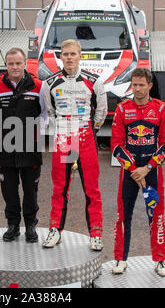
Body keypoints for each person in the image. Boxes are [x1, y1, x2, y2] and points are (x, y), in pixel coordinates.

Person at [42, 39, 107, 251]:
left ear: (80, 56)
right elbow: (49, 111)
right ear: (60, 57)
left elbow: (101, 112)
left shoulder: (94, 81)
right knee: (60, 188)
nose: (69, 57)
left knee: (91, 189)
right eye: (65, 54)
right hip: (62, 138)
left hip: (85, 137)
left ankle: (95, 233)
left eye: (73, 54)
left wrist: (91, 130)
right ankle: (55, 230)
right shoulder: (49, 83)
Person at [110, 68, 165, 276]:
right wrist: (133, 169)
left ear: (149, 86)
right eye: (134, 85)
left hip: (151, 170)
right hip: (129, 172)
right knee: (123, 216)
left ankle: (160, 260)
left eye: (141, 85)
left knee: (156, 215)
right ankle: (120, 258)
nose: (136, 89)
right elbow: (116, 145)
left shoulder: (161, 109)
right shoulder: (122, 109)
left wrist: (146, 168)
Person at [0, 47, 47, 243]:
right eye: (10, 63)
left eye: (18, 63)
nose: (14, 67)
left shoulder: (39, 86)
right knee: (9, 190)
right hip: (6, 147)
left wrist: (33, 135)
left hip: (31, 148)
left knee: (31, 191)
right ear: (6, 65)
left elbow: (45, 116)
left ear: (25, 64)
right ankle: (12, 225)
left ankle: (31, 225)